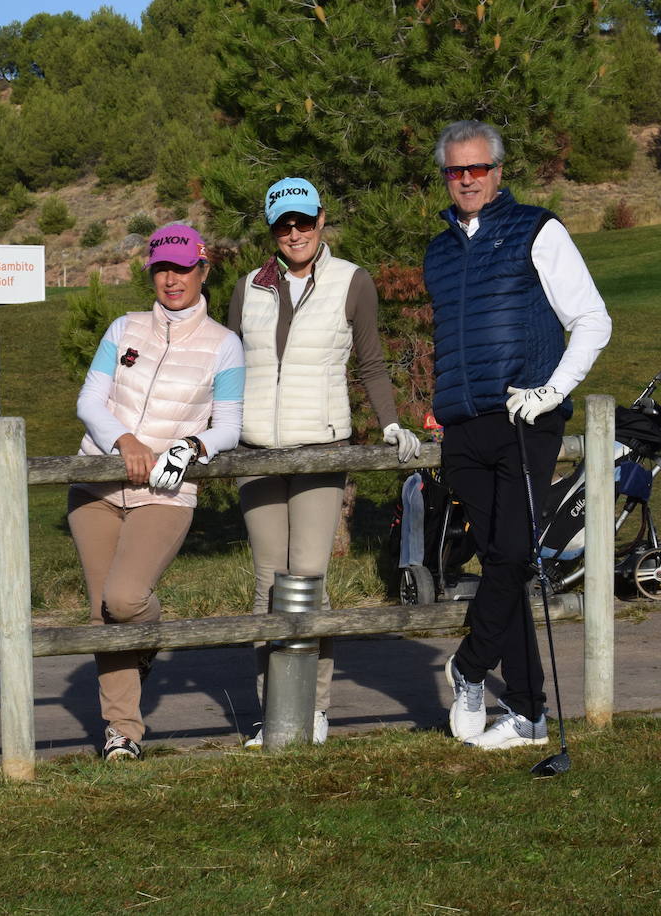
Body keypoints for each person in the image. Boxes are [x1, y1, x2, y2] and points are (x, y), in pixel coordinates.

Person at [424, 120, 611, 750]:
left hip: (524, 420)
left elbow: (591, 320)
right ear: (445, 176)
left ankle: (470, 667)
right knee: (503, 566)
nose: (468, 179)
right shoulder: (439, 251)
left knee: (511, 554)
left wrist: (553, 391)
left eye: (479, 168)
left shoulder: (538, 229)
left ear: (499, 171)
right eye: (456, 170)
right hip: (462, 429)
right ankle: (529, 715)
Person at [227, 177, 421, 748]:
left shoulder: (351, 281)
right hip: (256, 451)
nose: (295, 233)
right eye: (284, 224)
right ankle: (273, 714)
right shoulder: (247, 287)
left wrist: (388, 421)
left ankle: (313, 709)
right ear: (271, 229)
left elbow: (371, 362)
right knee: (268, 581)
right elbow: (232, 368)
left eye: (304, 221)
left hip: (321, 448)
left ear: (321, 220)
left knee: (307, 578)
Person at [69, 223, 245, 760]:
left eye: (184, 268)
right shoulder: (123, 328)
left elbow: (230, 427)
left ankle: (146, 635)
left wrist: (191, 445)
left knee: (126, 600)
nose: (173, 280)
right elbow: (89, 402)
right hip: (95, 484)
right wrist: (123, 439)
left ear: (203, 270)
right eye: (163, 269)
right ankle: (122, 733)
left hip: (166, 493)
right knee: (104, 614)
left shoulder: (224, 345)